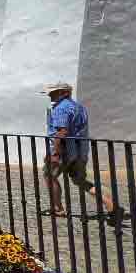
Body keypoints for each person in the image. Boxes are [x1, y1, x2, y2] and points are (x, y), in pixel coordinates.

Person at [42, 83, 119, 222]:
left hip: (64, 150)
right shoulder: (80, 107)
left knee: (49, 175)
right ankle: (110, 205)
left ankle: (58, 209)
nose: (50, 95)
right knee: (79, 180)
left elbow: (62, 132)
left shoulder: (61, 108)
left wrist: (55, 153)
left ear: (65, 93)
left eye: (54, 92)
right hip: (80, 150)